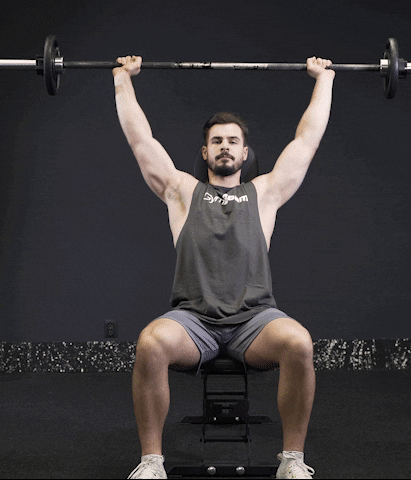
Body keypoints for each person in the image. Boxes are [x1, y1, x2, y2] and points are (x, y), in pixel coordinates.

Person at [113, 54, 334, 479]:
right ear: (205, 151)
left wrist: (323, 80)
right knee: (151, 343)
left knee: (299, 343)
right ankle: (151, 463)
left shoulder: (264, 194)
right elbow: (141, 140)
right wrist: (123, 79)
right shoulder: (182, 192)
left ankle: (292, 460)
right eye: (217, 141)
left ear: (245, 152)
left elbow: (307, 141)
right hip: (194, 321)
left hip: (255, 320)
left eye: (233, 140)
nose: (225, 146)